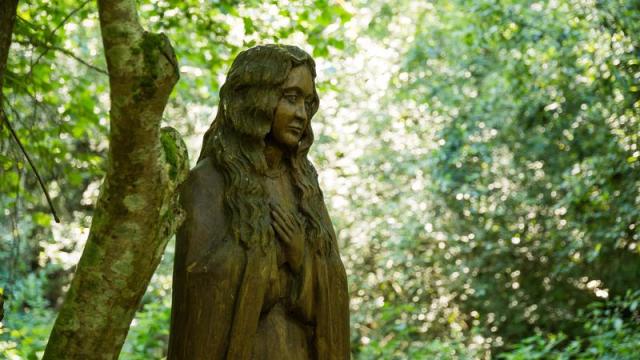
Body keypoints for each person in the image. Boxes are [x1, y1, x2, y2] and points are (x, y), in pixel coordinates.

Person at [167, 44, 350, 359]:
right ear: (257, 98)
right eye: (290, 98)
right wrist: (269, 260)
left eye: (307, 103)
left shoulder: (304, 185)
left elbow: (334, 282)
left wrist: (301, 257)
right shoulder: (209, 182)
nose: (301, 115)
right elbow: (199, 285)